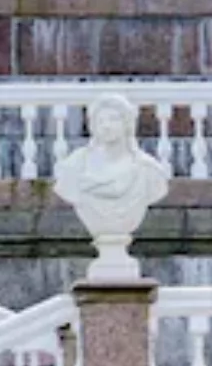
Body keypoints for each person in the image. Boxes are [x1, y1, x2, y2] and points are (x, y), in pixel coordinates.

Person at [53, 93, 169, 280]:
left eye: (113, 119)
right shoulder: (74, 168)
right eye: (100, 120)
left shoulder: (148, 171)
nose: (106, 126)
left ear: (127, 125)